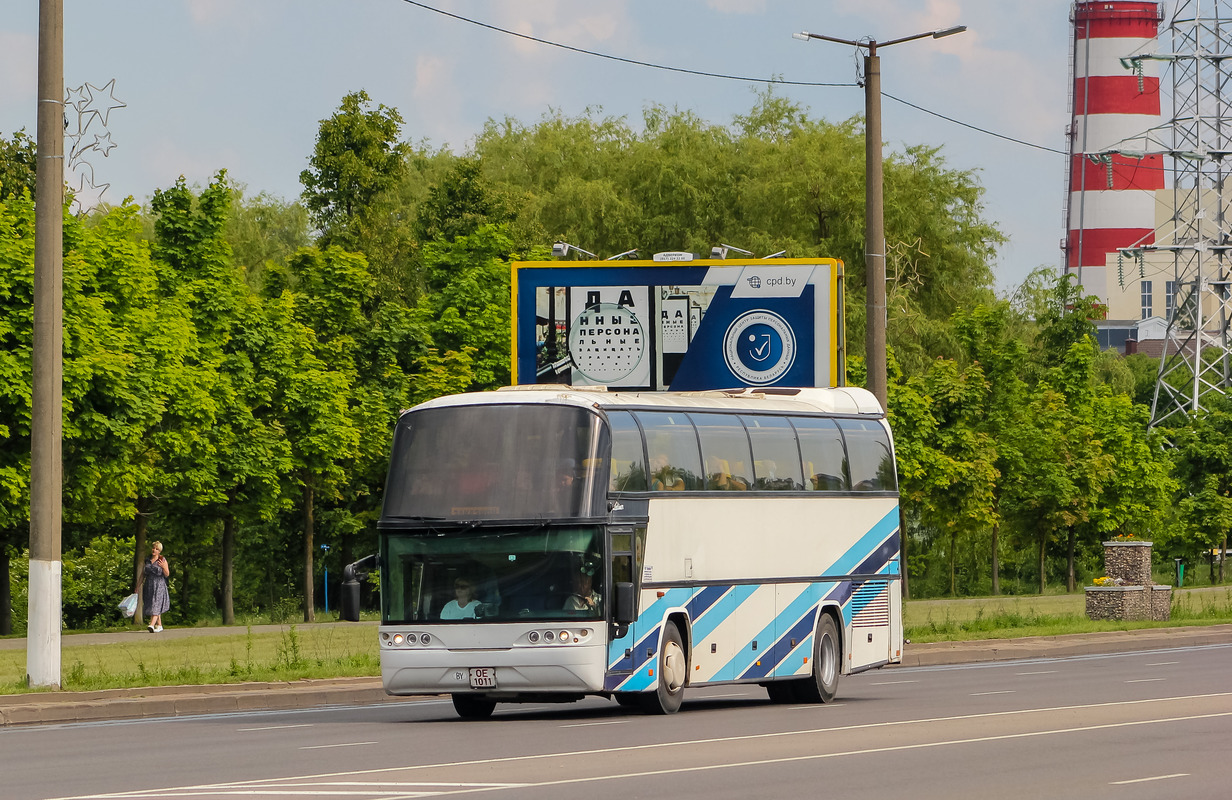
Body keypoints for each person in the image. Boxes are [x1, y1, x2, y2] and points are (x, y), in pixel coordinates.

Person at [140, 541, 170, 633]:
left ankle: (151, 625)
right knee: (152, 604)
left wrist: (163, 567)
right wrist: (138, 585)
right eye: (153, 548)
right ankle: (159, 625)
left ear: (159, 551)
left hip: (159, 584)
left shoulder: (162, 560)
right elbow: (143, 574)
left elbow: (167, 574)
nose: (154, 550)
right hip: (149, 584)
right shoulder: (147, 560)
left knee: (156, 604)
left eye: (157, 549)